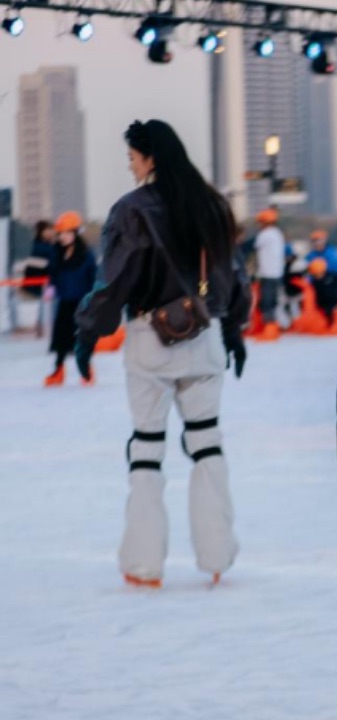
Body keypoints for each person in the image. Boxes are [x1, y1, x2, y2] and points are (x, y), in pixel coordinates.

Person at [75, 119, 249, 588]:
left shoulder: (132, 210)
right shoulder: (212, 204)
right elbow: (235, 274)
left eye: (132, 158)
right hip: (206, 337)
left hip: (151, 338)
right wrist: (235, 329)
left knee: (147, 449)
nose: (131, 167)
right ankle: (217, 555)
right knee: (207, 442)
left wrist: (88, 333)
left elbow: (114, 281)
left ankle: (144, 562)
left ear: (149, 158)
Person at [43, 212, 97, 386]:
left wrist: (94, 298)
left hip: (81, 303)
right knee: (61, 339)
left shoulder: (86, 255)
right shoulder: (56, 253)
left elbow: (93, 277)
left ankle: (86, 370)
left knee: (81, 340)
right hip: (64, 301)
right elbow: (52, 273)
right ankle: (58, 370)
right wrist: (51, 287)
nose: (63, 237)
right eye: (61, 233)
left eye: (67, 233)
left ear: (75, 233)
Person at [253, 208, 285, 340]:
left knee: (266, 302)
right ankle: (273, 329)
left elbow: (253, 247)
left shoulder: (265, 235)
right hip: (277, 273)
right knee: (272, 302)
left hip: (267, 273)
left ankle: (269, 331)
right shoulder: (277, 233)